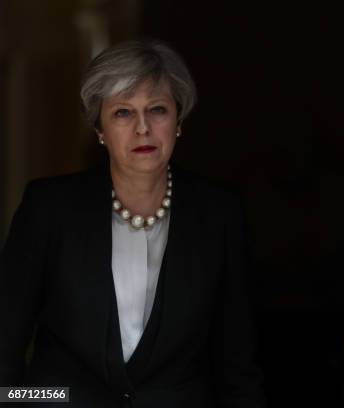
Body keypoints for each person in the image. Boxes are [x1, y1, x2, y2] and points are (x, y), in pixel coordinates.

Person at [0, 40, 266, 407]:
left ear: (178, 121)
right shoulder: (49, 207)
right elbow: (5, 344)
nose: (143, 128)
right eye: (123, 113)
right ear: (100, 129)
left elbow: (237, 364)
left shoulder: (219, 213)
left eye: (157, 110)